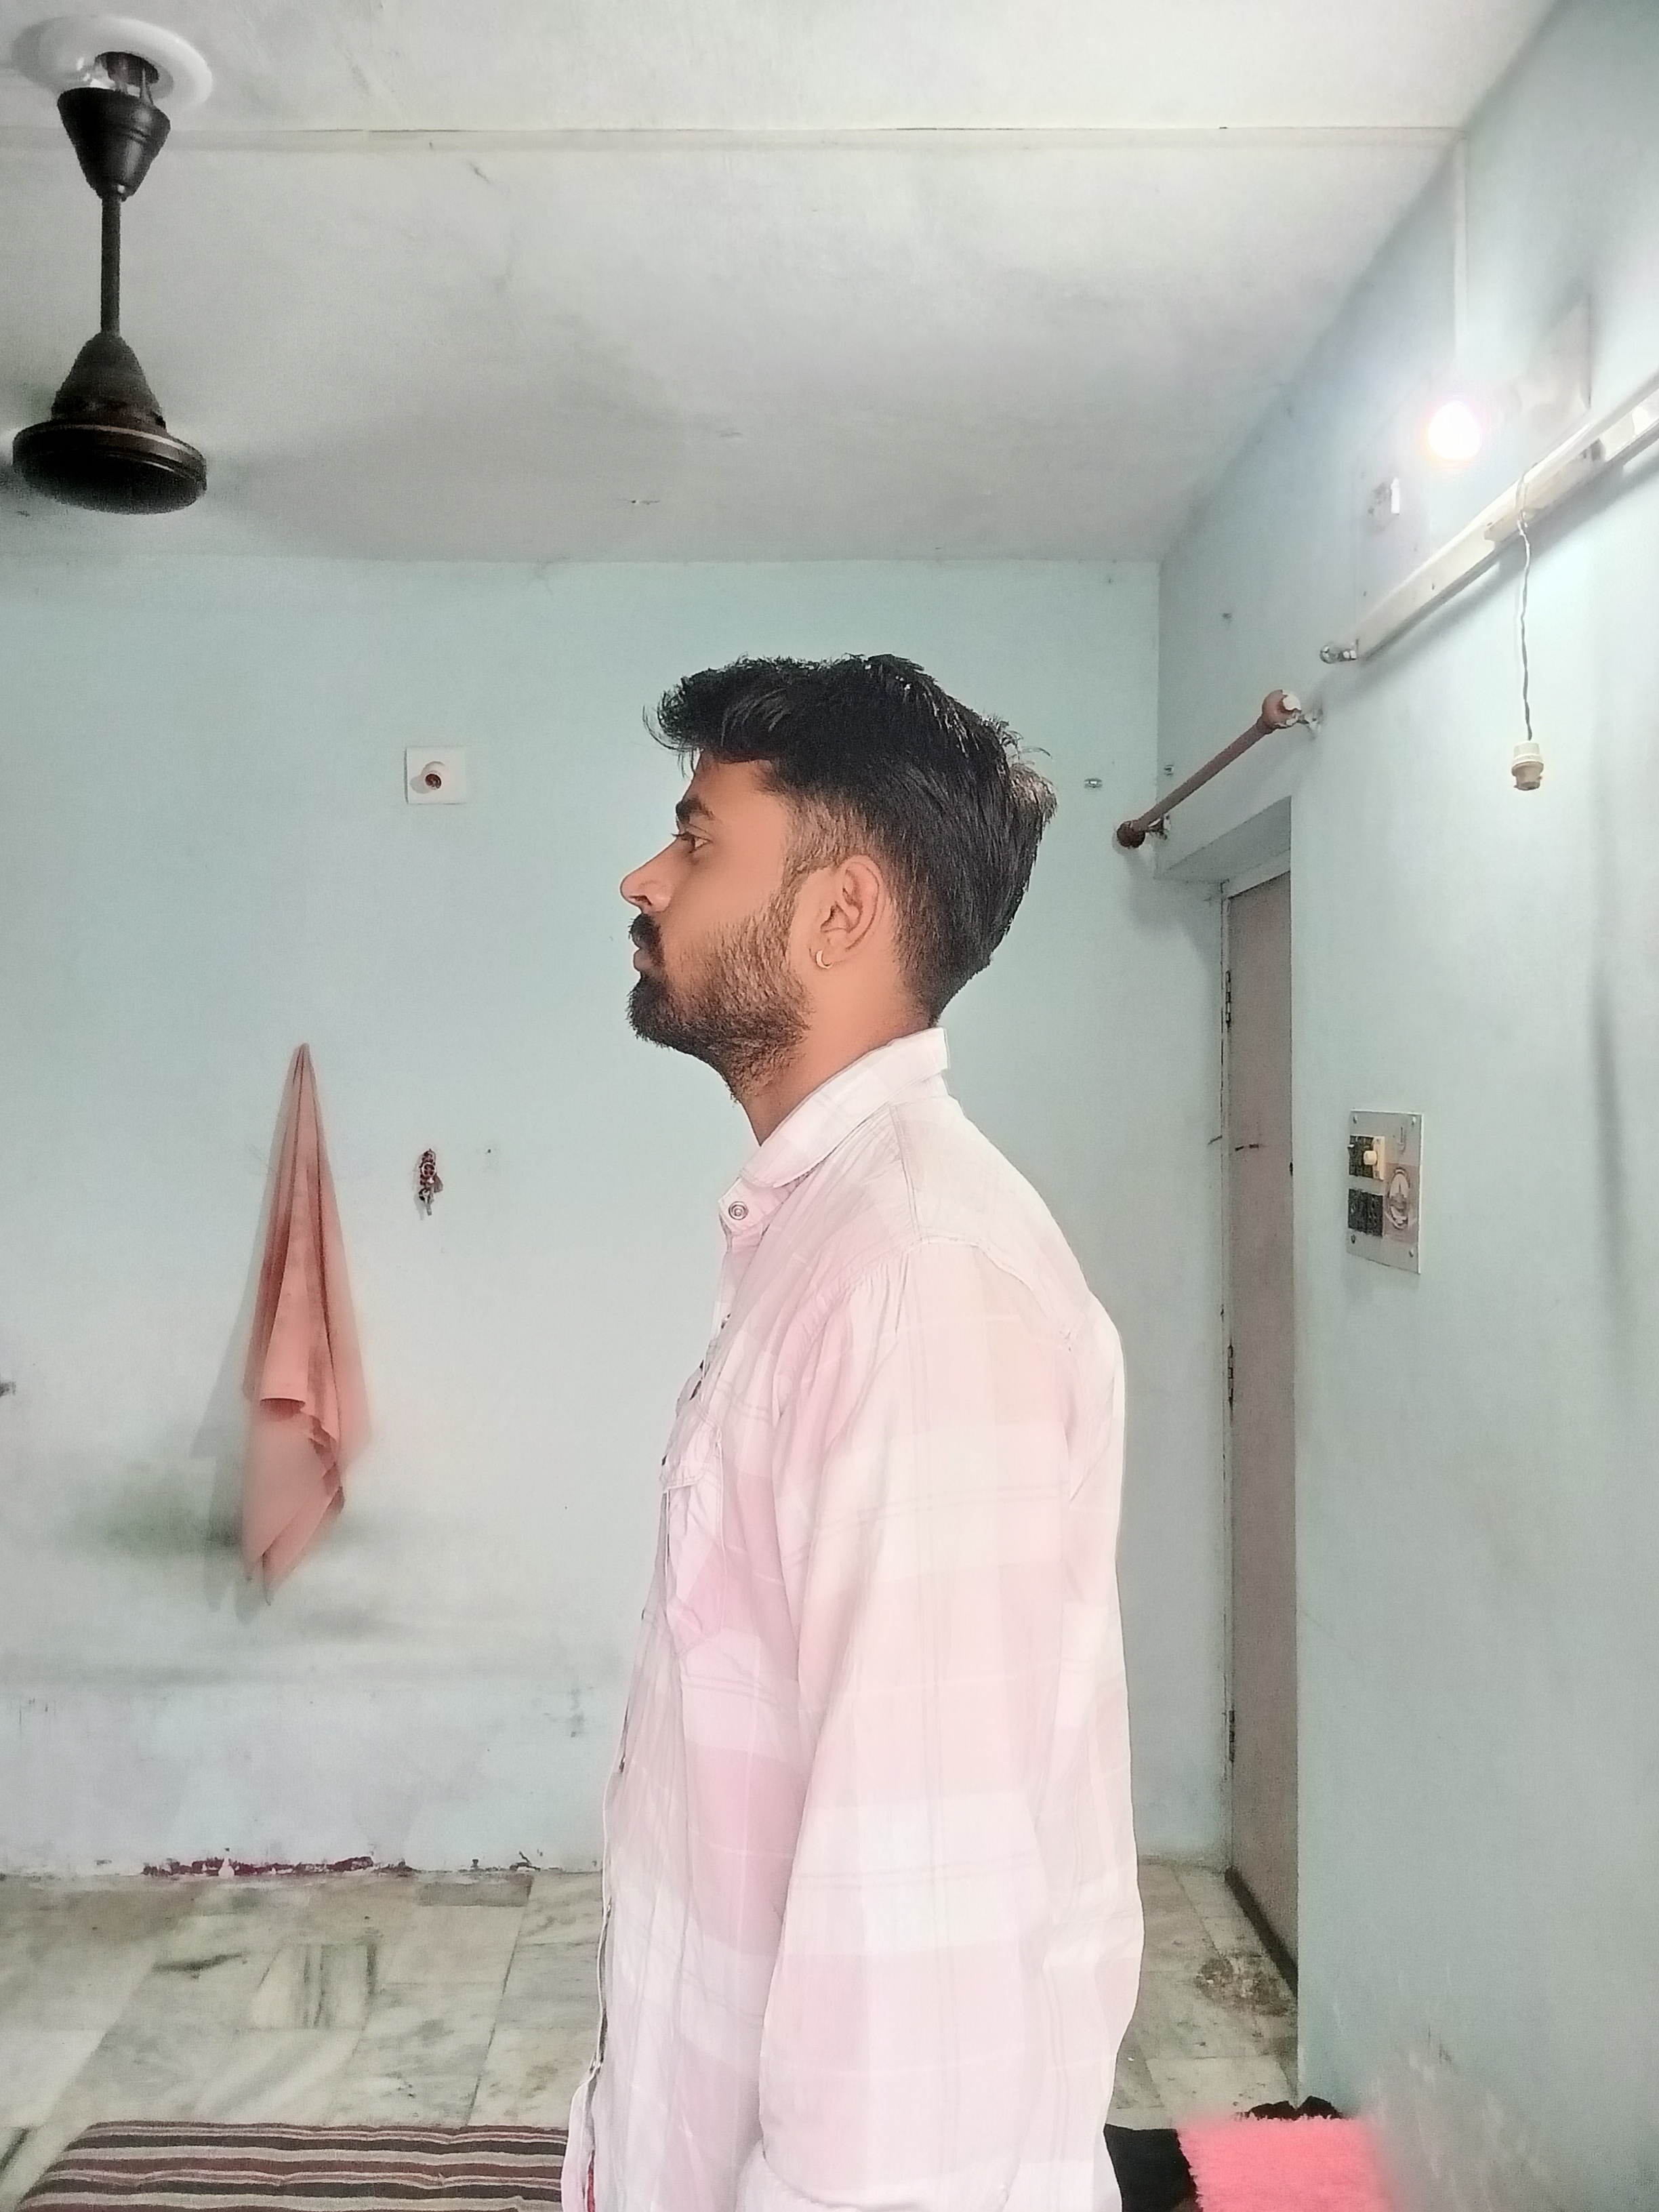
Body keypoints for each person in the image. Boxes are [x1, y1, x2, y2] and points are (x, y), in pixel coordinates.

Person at [566, 655, 1141, 2212]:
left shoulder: (915, 1285)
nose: (644, 879)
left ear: (840, 914)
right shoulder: (837, 1239)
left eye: (697, 840)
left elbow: (919, 1951)